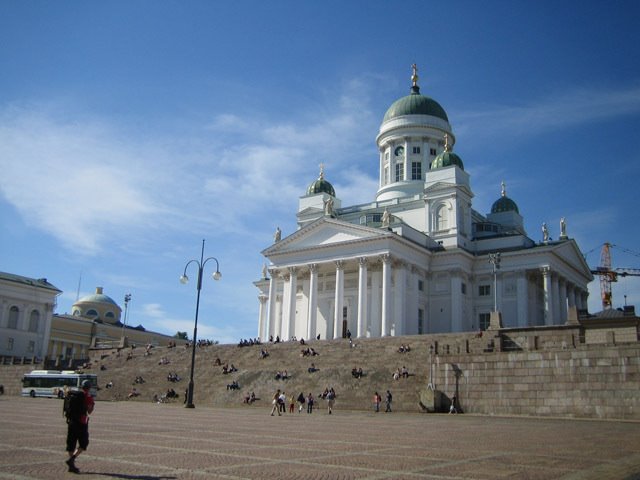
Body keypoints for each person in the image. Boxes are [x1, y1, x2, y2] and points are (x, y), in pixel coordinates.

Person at [65, 380, 95, 474]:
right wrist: (92, 405)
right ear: (89, 387)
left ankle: (71, 464)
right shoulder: (88, 396)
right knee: (84, 443)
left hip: (71, 421)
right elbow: (89, 411)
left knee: (71, 443)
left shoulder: (73, 394)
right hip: (81, 422)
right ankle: (72, 459)